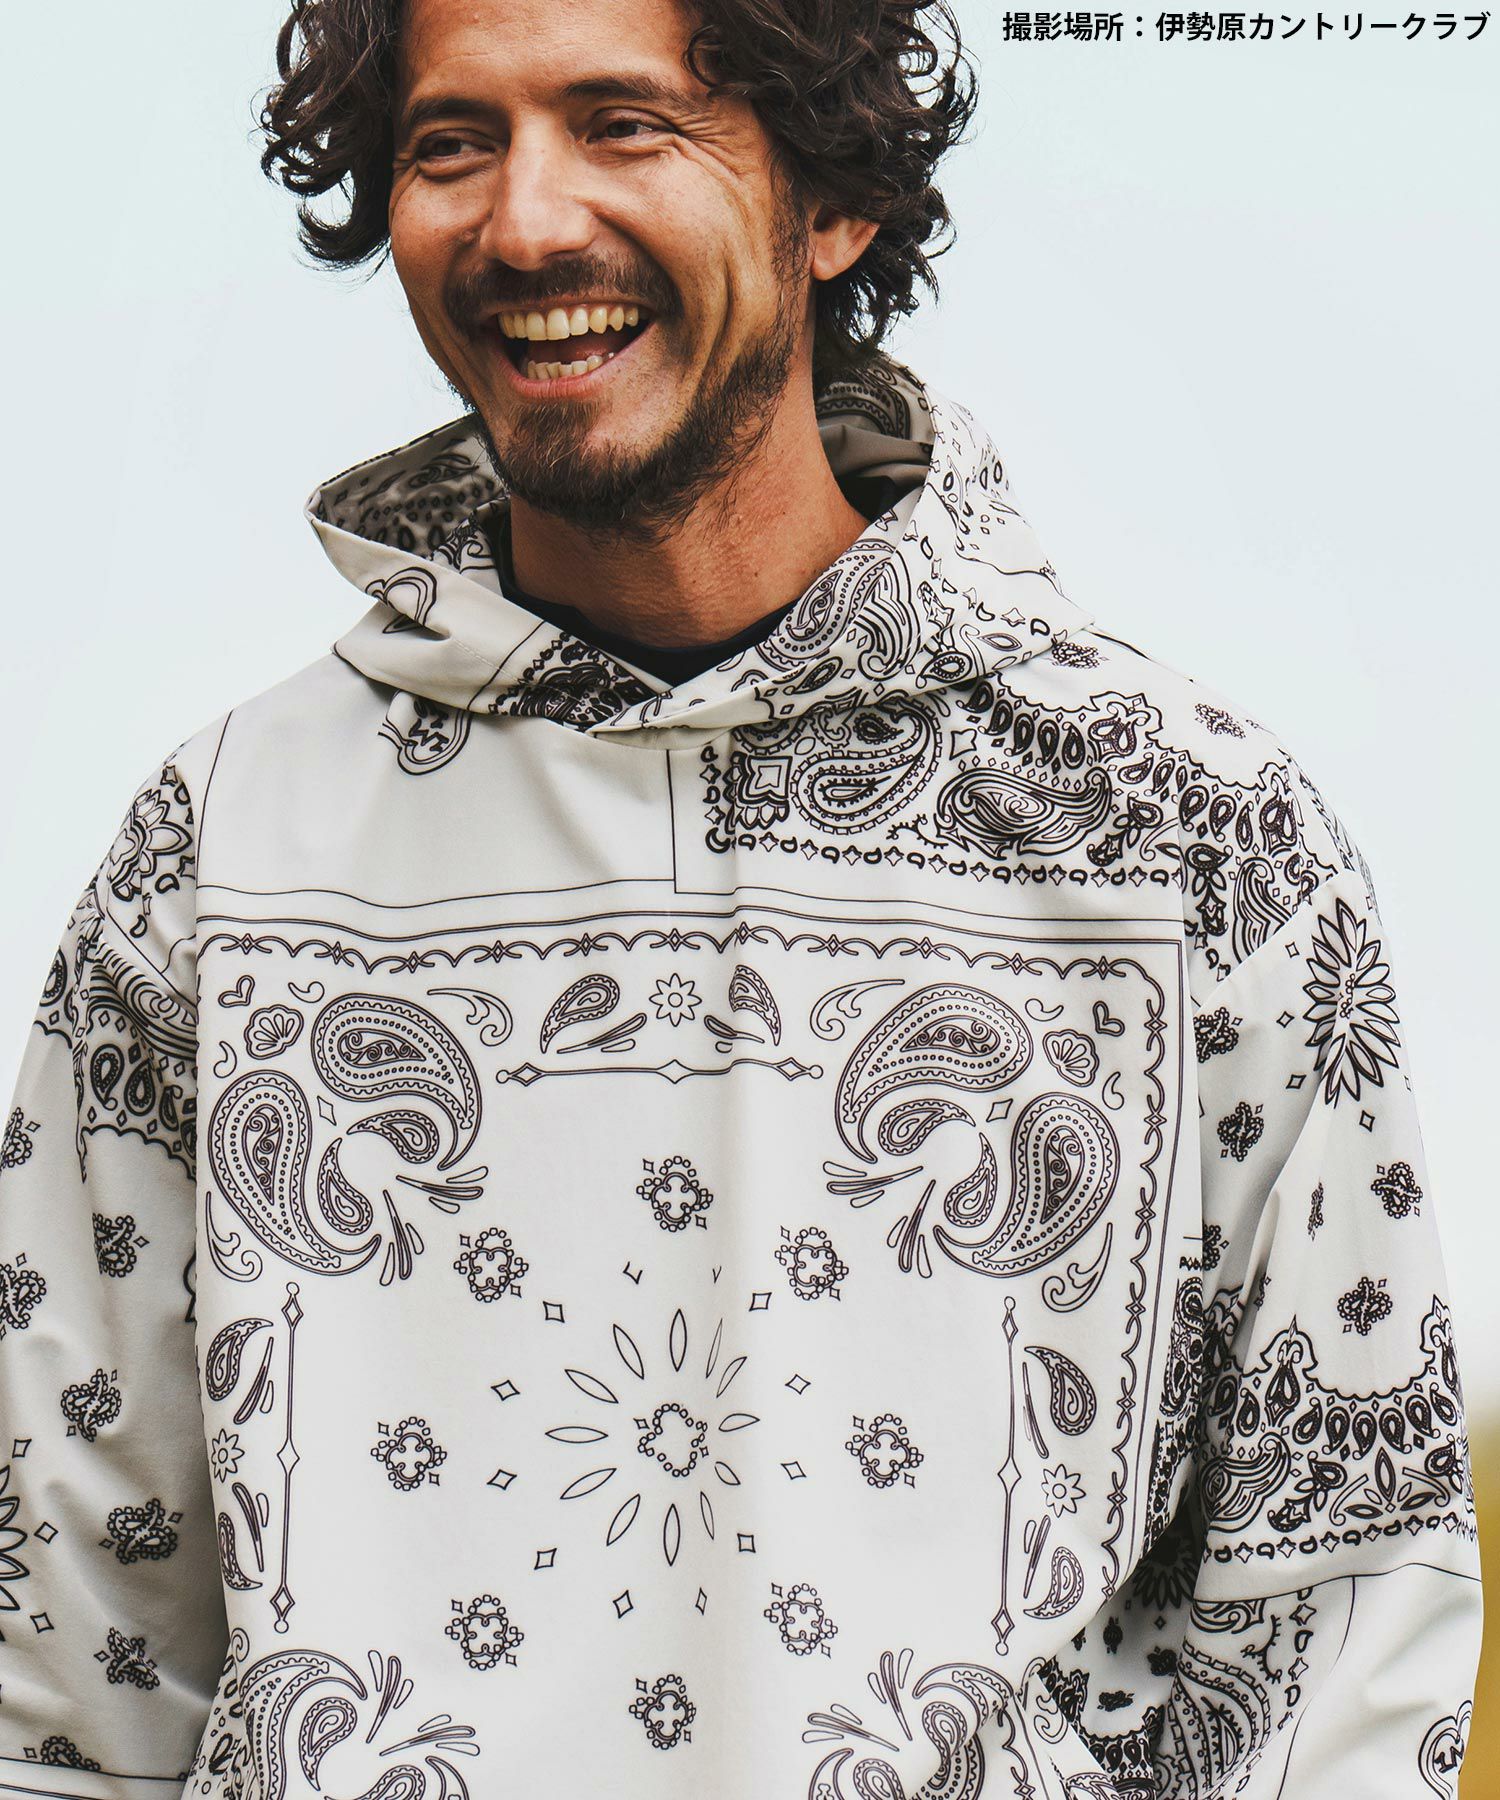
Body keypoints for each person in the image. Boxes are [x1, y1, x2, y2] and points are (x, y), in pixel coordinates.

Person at [0, 0, 1480, 1793]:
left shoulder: (1189, 843)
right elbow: (69, 1666)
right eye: (452, 144)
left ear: (833, 198)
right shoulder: (219, 859)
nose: (525, 221)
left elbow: (1346, 1632)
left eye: (624, 122)